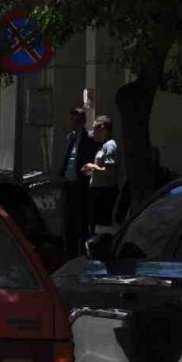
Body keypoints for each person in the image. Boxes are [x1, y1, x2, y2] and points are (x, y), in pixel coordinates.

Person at [59, 107, 94, 254]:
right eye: (72, 120)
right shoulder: (70, 137)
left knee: (81, 221)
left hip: (81, 185)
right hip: (69, 184)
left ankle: (82, 252)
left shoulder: (89, 138)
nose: (74, 124)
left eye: (77, 120)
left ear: (84, 121)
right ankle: (70, 251)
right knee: (69, 221)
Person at [82, 116, 119, 233]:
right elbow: (101, 169)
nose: (92, 132)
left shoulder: (110, 146)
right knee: (93, 225)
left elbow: (110, 171)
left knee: (101, 227)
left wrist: (93, 166)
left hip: (104, 193)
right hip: (97, 191)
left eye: (94, 129)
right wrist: (91, 171)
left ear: (103, 128)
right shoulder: (102, 146)